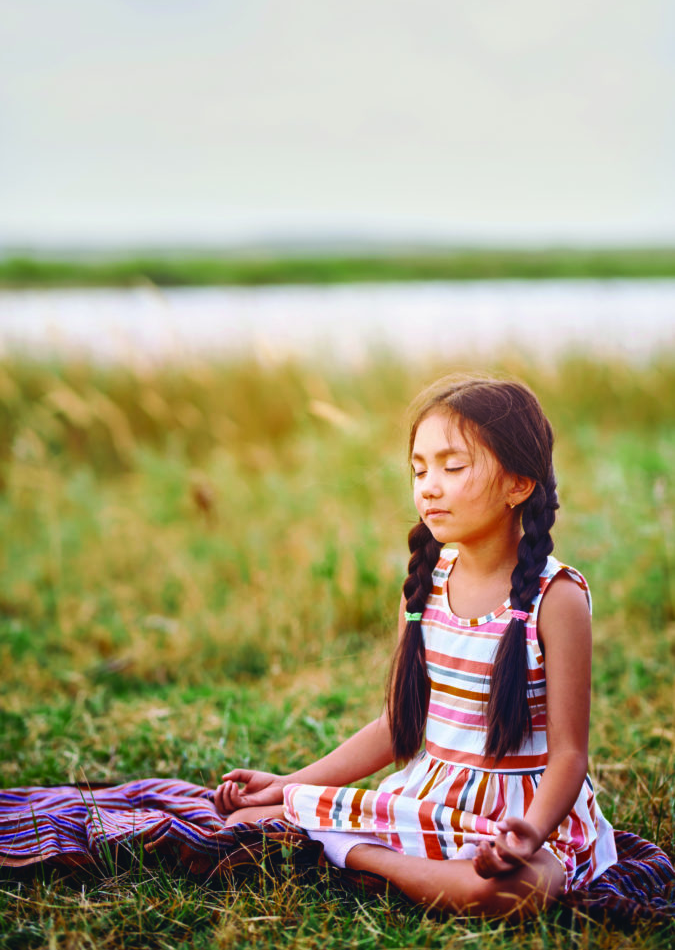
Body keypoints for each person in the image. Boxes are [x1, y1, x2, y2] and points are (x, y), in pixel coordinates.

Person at [213, 376, 617, 918]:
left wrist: (529, 833)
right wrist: (286, 784)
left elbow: (569, 755)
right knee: (245, 824)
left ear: (518, 484)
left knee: (504, 890)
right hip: (431, 803)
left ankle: (350, 854)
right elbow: (394, 726)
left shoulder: (556, 596)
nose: (429, 486)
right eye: (420, 469)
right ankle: (381, 861)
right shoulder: (427, 582)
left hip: (520, 817)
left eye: (453, 467)